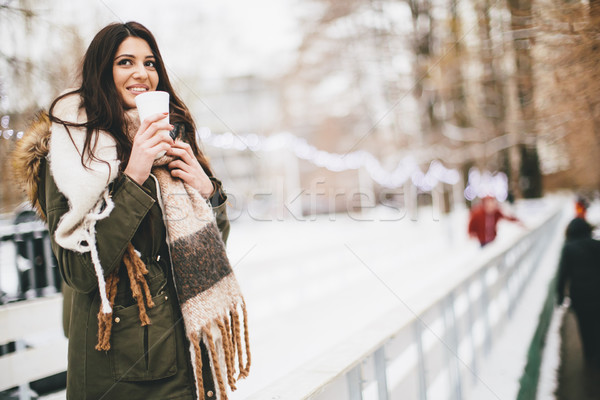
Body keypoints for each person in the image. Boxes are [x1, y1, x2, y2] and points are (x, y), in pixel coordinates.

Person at [12, 21, 250, 400]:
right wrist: (134, 174)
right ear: (101, 72)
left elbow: (210, 249)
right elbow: (80, 273)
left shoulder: (173, 138)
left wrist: (208, 192)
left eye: (150, 62)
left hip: (189, 351)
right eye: (126, 62)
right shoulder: (69, 152)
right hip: (124, 368)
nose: (142, 73)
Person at [557, 217, 600, 368]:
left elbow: (563, 274)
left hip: (580, 297)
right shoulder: (597, 245)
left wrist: (560, 296)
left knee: (585, 326)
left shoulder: (568, 248)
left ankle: (590, 357)